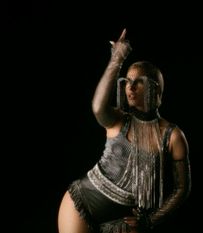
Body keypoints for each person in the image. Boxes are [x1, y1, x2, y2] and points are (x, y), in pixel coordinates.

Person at [58, 28, 191, 233]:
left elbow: (182, 189)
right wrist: (117, 59)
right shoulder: (119, 120)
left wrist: (151, 220)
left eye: (138, 82)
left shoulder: (172, 136)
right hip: (81, 202)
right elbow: (98, 107)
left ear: (155, 88)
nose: (131, 87)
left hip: (125, 221)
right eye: (127, 81)